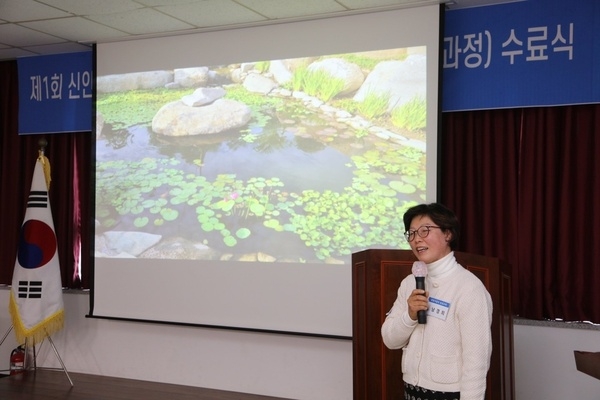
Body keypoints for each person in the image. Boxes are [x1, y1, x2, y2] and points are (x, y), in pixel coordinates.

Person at [381, 203, 492, 400]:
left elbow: (476, 361)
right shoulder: (410, 283)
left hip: (449, 395)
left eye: (425, 231)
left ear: (448, 234)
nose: (417, 240)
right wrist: (409, 316)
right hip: (411, 391)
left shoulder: (469, 288)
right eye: (412, 233)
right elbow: (390, 340)